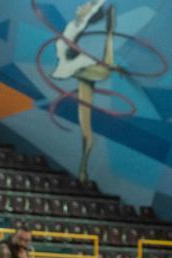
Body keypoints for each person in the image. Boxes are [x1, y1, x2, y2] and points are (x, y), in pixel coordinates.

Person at [51, 0, 116, 183]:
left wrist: (101, 10)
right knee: (107, 68)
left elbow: (95, 7)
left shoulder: (81, 23)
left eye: (85, 5)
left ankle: (82, 170)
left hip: (80, 66)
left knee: (86, 127)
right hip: (73, 67)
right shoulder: (75, 25)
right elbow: (92, 9)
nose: (81, 6)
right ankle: (83, 170)